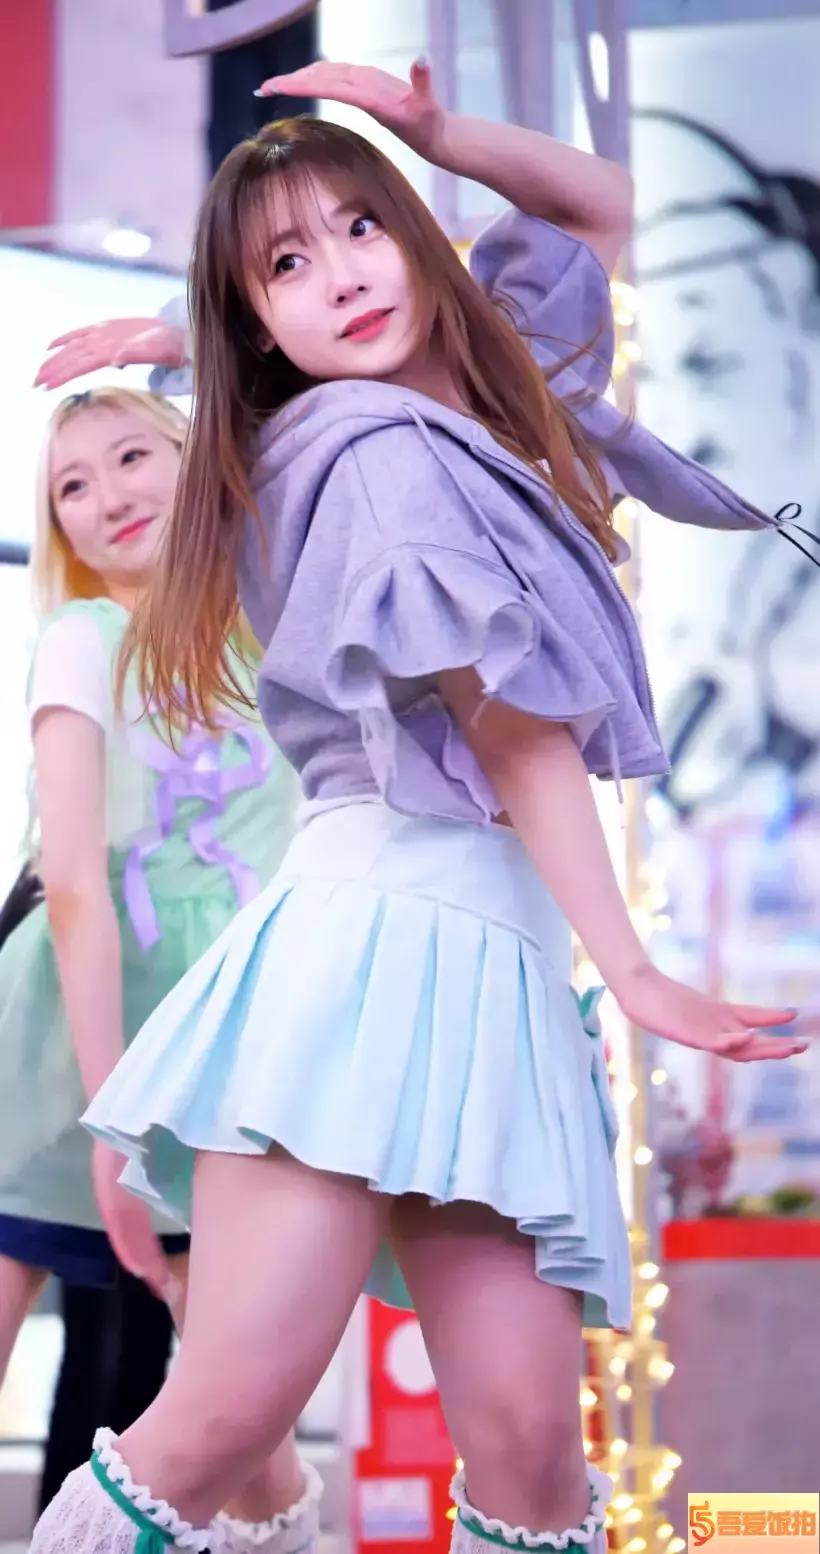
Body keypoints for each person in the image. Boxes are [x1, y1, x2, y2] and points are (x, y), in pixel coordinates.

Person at [32, 63, 805, 1554]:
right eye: (284, 266)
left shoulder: (475, 393)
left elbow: (607, 210)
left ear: (414, 234)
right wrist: (634, 968)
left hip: (488, 960)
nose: (340, 276)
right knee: (223, 1418)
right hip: (382, 942)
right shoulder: (380, 453)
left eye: (360, 228)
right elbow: (510, 729)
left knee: (531, 1455)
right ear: (259, 325)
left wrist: (437, 135)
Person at [0, 387, 321, 1550]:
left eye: (134, 456)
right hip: (69, 1044)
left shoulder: (278, 620)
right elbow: (75, 885)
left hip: (231, 1048)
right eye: (71, 487)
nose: (107, 496)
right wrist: (111, 1116)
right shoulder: (83, 638)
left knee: (235, 1401)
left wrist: (184, 354)